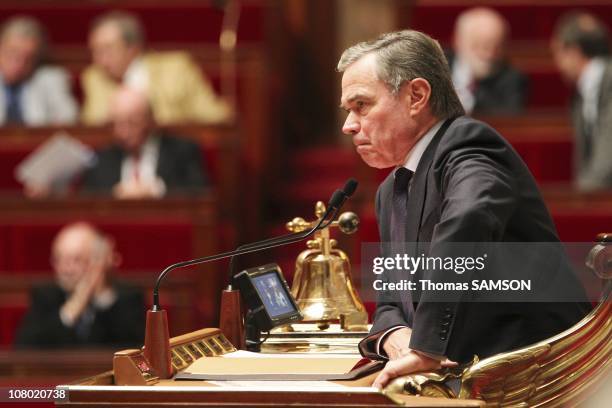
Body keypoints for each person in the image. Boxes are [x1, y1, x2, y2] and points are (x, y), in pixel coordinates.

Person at [337, 30, 590, 388]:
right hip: (462, 376)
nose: (348, 125)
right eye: (348, 110)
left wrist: (424, 347)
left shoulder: (470, 146)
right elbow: (392, 299)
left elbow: (466, 222)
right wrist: (394, 335)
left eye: (361, 105)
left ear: (416, 96)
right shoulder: (391, 189)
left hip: (537, 380)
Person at [81, 11, 231, 126]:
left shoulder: (177, 68)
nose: (99, 59)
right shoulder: (94, 76)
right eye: (95, 51)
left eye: (107, 50)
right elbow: (92, 126)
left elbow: (214, 116)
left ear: (133, 48)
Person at [14, 222, 145, 348]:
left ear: (98, 261)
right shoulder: (44, 296)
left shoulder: (128, 297)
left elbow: (135, 351)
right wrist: (73, 307)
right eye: (59, 260)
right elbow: (25, 349)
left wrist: (101, 296)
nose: (66, 269)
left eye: (76, 260)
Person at [81, 86, 207, 198]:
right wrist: (115, 195)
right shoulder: (102, 158)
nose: (123, 132)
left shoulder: (181, 151)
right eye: (116, 124)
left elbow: (199, 193)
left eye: (132, 123)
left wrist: (157, 190)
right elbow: (88, 201)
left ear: (150, 121)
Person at [551, 12, 612, 191]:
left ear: (573, 51)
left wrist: (583, 196)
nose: (557, 64)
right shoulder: (579, 95)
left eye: (557, 54)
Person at [449, 7, 527, 115]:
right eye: (481, 46)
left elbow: (507, 120)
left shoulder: (513, 78)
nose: (489, 55)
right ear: (457, 41)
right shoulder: (435, 67)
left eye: (497, 47)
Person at [0, 16, 77, 126]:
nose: (19, 64)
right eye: (12, 53)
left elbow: (70, 119)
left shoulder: (52, 79)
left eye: (28, 57)